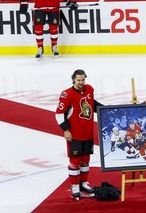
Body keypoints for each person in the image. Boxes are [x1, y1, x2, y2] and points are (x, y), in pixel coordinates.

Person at [55, 69, 103, 199]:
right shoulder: (67, 94)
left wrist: (104, 110)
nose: (81, 82)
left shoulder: (89, 89)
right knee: (75, 161)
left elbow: (92, 103)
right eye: (78, 80)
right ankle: (75, 185)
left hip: (88, 132)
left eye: (83, 80)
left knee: (86, 159)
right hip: (74, 134)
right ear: (73, 80)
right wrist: (66, 130)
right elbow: (59, 114)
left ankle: (83, 183)